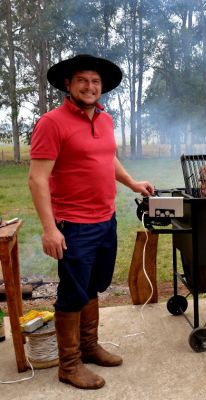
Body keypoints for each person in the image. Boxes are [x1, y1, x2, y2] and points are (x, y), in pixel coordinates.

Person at [28, 54, 154, 389]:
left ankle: (89, 347)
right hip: (73, 224)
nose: (90, 86)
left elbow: (107, 156)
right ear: (68, 85)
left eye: (95, 81)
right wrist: (49, 228)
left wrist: (132, 183)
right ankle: (68, 365)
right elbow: (37, 179)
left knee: (94, 286)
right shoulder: (51, 122)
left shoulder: (105, 120)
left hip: (105, 219)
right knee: (72, 292)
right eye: (82, 80)